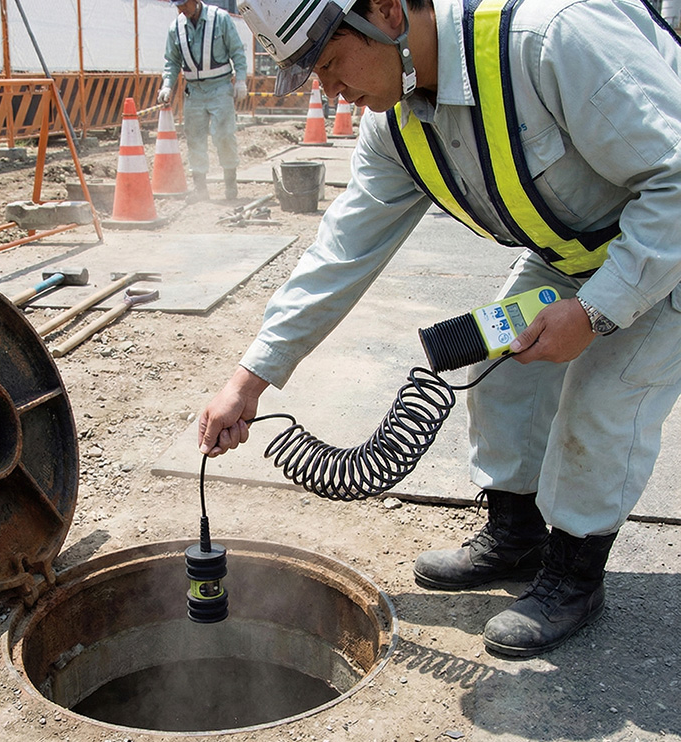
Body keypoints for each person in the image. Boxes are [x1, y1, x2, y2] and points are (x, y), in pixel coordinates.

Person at [197, 0, 681, 658]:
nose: (330, 90)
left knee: (603, 400)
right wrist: (247, 381)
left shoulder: (548, 40)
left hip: (665, 241)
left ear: (389, 13)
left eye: (332, 62)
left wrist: (596, 312)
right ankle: (516, 539)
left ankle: (574, 576)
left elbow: (675, 180)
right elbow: (340, 254)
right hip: (572, 249)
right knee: (500, 379)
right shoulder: (395, 124)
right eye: (314, 75)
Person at [159, 0, 248, 201]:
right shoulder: (176, 28)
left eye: (184, 4)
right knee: (195, 140)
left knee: (224, 136)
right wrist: (167, 85)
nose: (181, 9)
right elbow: (172, 61)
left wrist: (240, 80)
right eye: (178, 6)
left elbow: (237, 51)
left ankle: (230, 188)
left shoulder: (221, 19)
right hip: (194, 93)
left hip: (220, 89)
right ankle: (201, 191)